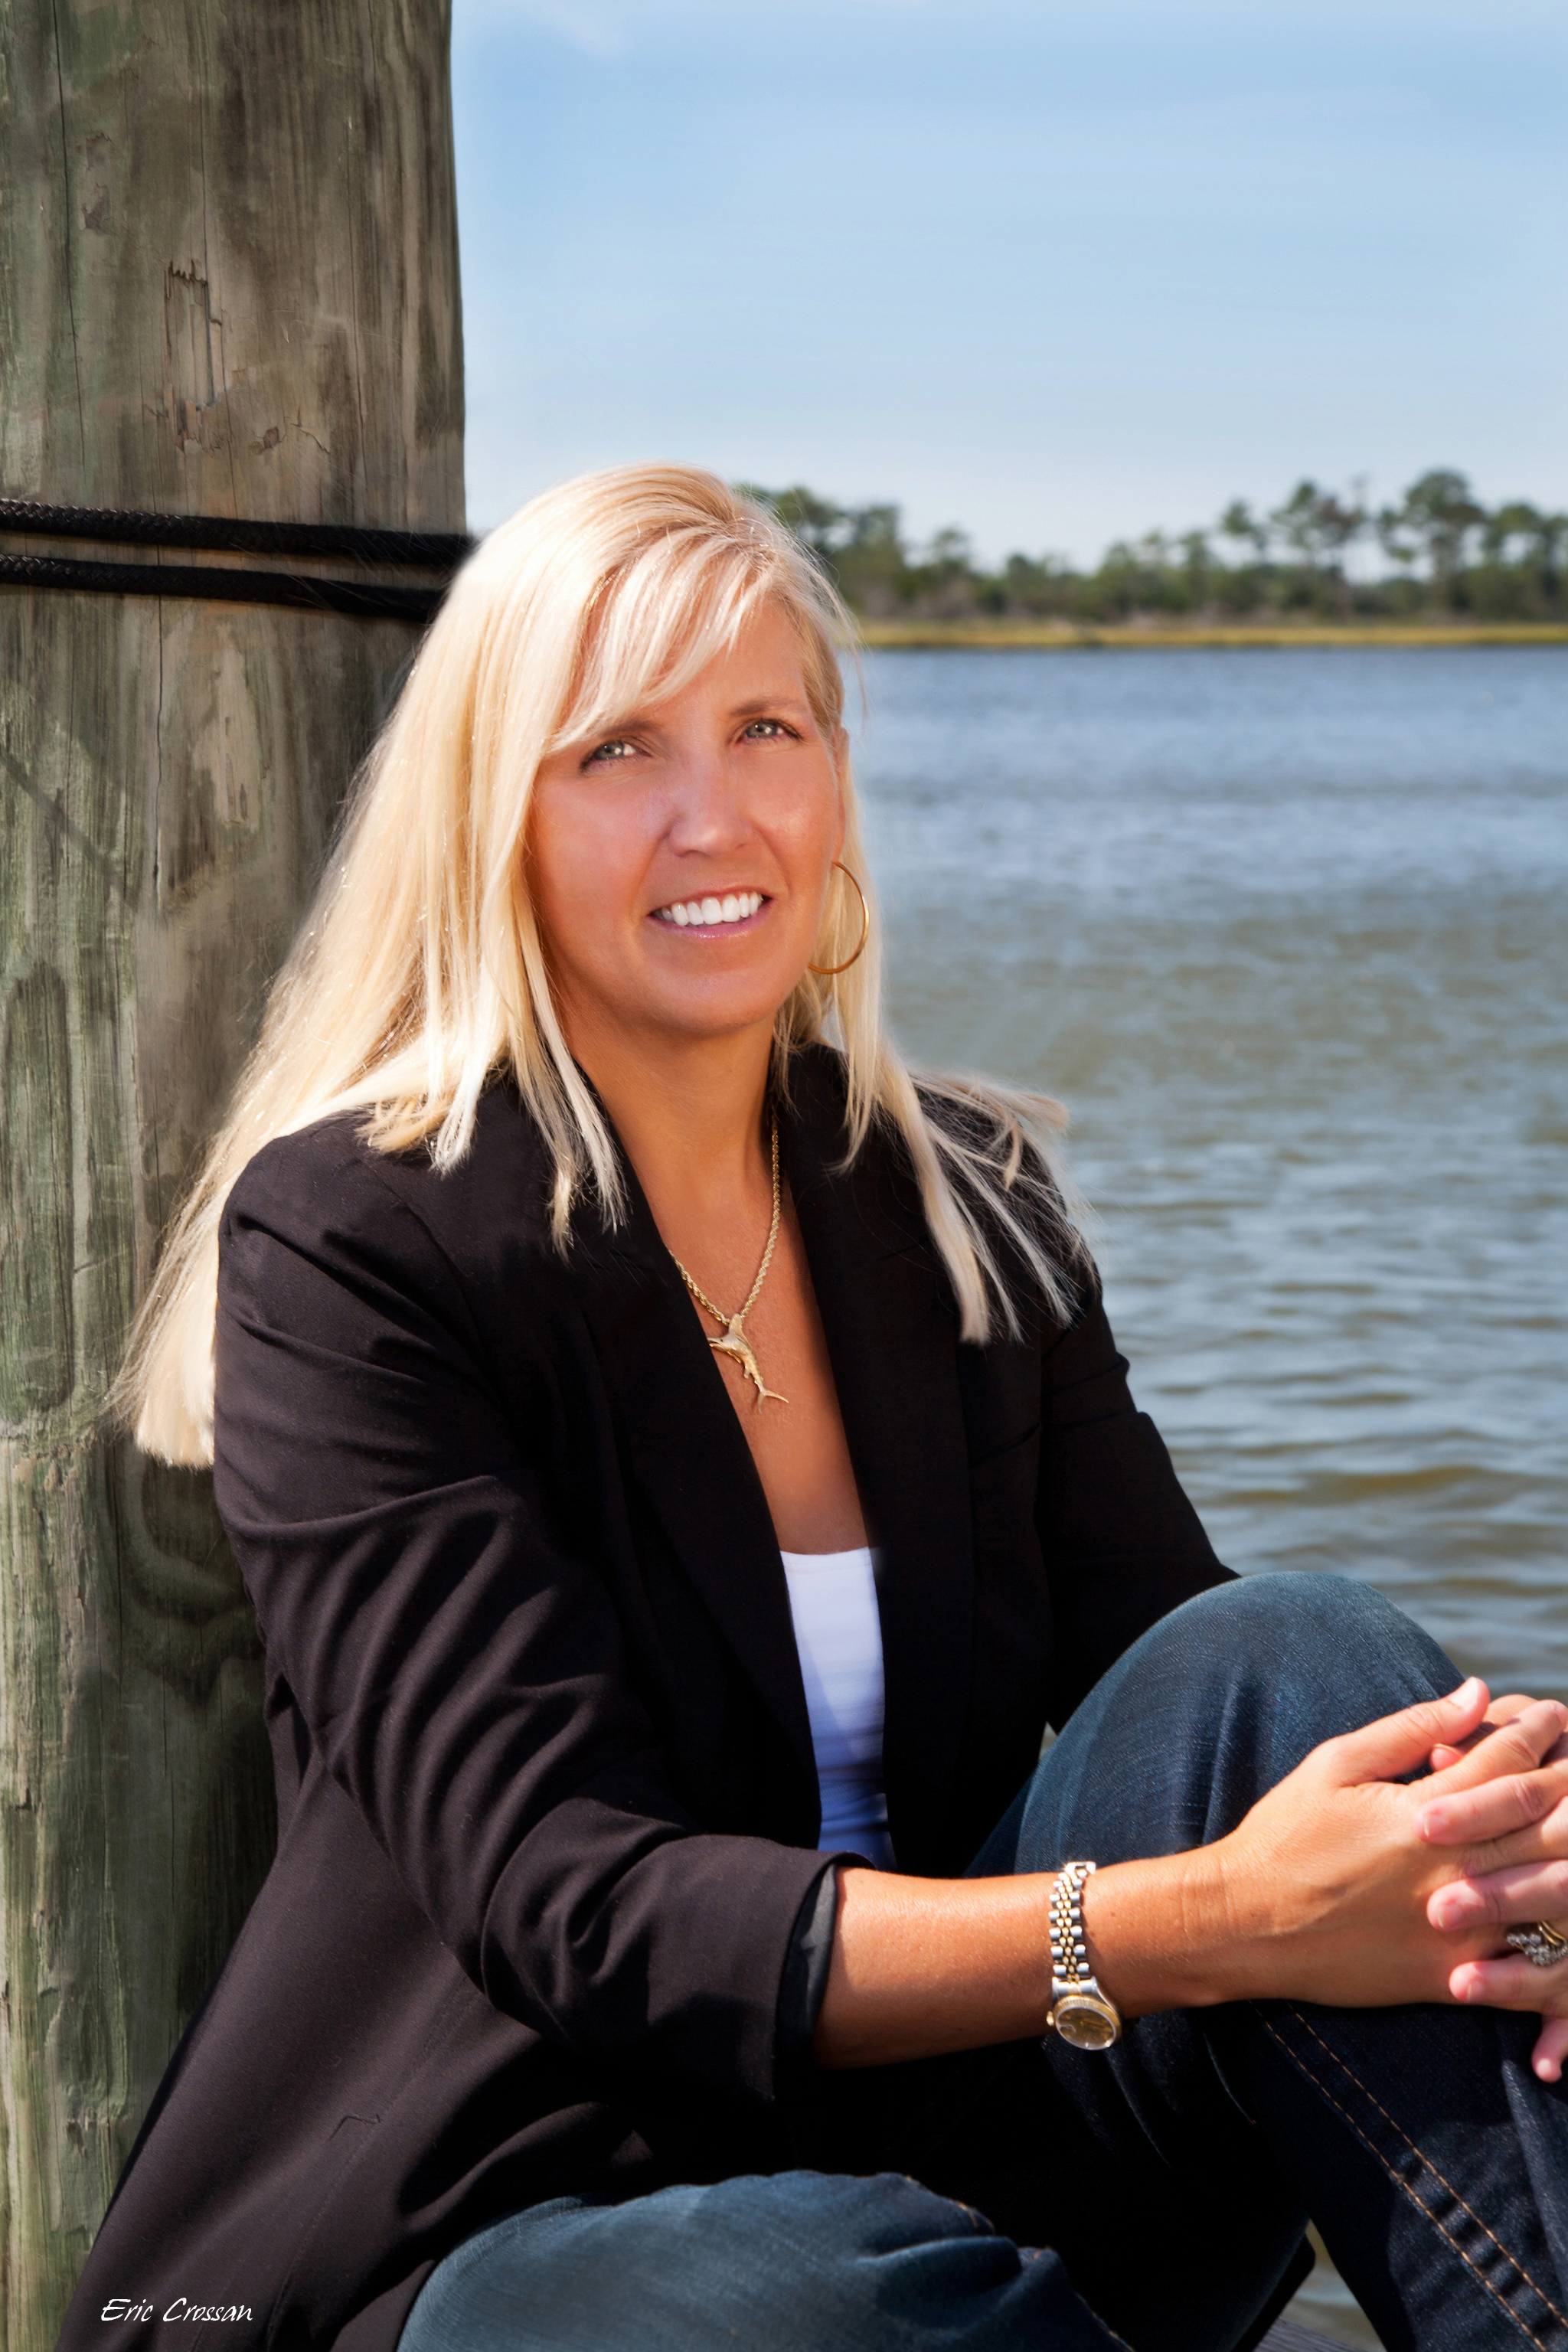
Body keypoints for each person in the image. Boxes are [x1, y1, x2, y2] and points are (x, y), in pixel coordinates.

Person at [65, 466, 1568, 2352]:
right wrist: (1212, 1920)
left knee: (1314, 1671)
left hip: (957, 2131)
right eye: (617, 748)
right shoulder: (362, 1242)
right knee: (832, 2302)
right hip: (513, 2214)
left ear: (838, 779)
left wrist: (1492, 1837)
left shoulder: (963, 1201)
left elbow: (1204, 1693)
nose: (716, 816)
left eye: (767, 729)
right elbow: (574, 1902)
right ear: (490, 816)